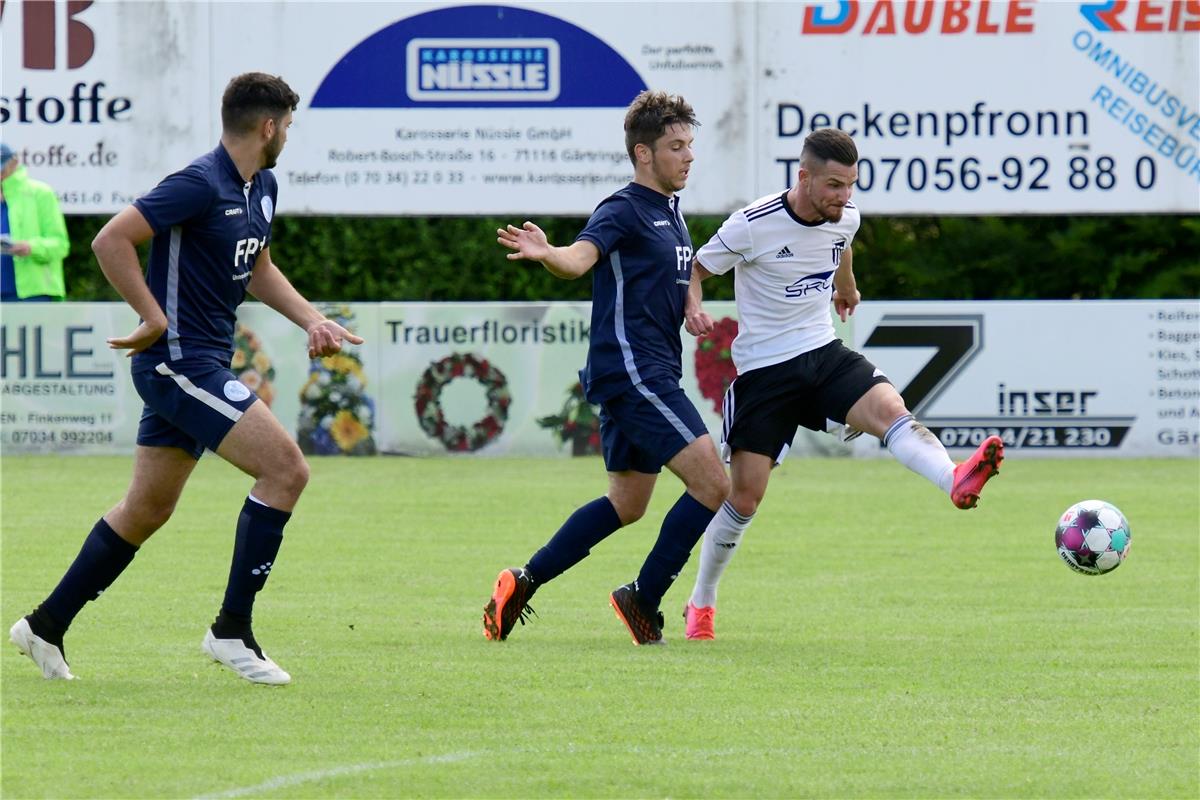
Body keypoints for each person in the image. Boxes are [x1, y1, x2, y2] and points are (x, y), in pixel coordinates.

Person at [8, 73, 363, 684]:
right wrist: (151, 315)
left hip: (199, 363)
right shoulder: (198, 182)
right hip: (178, 362)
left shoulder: (262, 186)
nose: (288, 137)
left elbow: (257, 268)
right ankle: (231, 631)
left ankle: (45, 624)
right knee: (287, 470)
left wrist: (312, 319)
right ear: (269, 126)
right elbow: (110, 239)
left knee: (146, 509)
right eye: (289, 127)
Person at [681, 128, 1004, 640]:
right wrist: (693, 306)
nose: (844, 196)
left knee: (890, 408)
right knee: (744, 498)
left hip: (823, 352)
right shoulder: (752, 224)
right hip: (765, 372)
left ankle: (953, 479)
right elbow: (696, 267)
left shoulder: (843, 217)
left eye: (851, 184)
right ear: (803, 177)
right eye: (833, 184)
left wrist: (846, 285)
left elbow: (843, 241)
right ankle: (701, 603)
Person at [483, 90, 730, 645]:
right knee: (714, 484)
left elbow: (672, 275)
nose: (688, 156)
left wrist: (690, 306)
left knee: (627, 504)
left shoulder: (670, 212)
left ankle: (522, 582)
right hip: (635, 372)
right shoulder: (622, 208)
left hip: (640, 372)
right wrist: (550, 253)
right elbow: (580, 258)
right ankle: (642, 598)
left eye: (690, 145)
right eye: (676, 147)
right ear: (643, 154)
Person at [0, 142, 69, 301]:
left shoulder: (41, 193)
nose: (1, 174)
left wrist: (30, 247)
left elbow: (60, 245)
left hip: (34, 294)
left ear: (14, 162)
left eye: (2, 168)